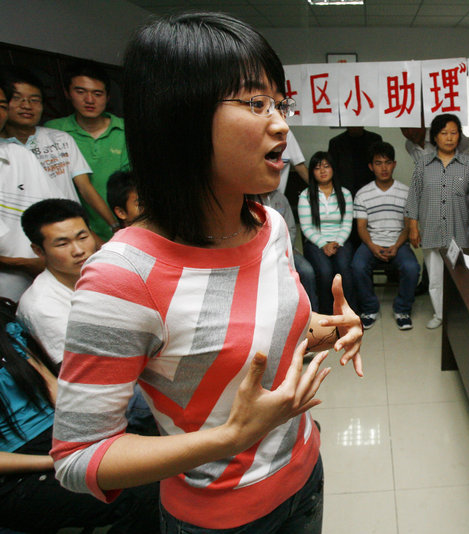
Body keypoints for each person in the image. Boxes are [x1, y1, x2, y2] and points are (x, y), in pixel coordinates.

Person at [50, 13, 363, 534]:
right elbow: (79, 460)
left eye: (280, 104)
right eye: (256, 103)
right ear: (181, 118)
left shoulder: (270, 227)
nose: (282, 123)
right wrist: (228, 438)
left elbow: (240, 345)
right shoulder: (123, 275)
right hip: (218, 520)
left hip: (305, 478)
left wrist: (323, 329)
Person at [0, 299, 160, 533]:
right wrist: (55, 461)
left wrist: (87, 439)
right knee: (139, 497)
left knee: (168, 470)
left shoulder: (7, 333)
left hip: (61, 434)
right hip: (19, 469)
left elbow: (54, 392)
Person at [0, 66, 117, 236]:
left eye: (34, 100)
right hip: (24, 238)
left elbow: (85, 188)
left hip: (71, 230)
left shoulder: (59, 138)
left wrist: (114, 225)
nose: (26, 106)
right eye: (17, 99)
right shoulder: (6, 150)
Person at [406, 113, 469, 329]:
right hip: (431, 228)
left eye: (454, 133)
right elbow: (414, 196)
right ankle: (440, 315)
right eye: (444, 133)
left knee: (460, 277)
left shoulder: (468, 164)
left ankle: (459, 315)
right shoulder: (423, 164)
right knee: (436, 277)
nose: (449, 138)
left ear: (460, 136)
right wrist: (413, 227)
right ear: (435, 137)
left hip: (460, 230)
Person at [44, 61, 130, 241]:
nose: (89, 100)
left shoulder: (126, 130)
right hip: (73, 229)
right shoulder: (54, 132)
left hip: (123, 225)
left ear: (107, 97)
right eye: (80, 92)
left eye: (97, 94)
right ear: (67, 93)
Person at [16, 199, 98, 364]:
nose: (79, 251)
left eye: (82, 237)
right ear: (39, 250)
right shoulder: (42, 306)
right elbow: (85, 370)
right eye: (62, 244)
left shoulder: (106, 271)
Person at [352, 142, 420, 330]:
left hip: (398, 243)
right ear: (371, 166)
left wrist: (397, 246)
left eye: (388, 162)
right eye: (378, 163)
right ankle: (370, 309)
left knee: (412, 267)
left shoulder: (406, 192)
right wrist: (373, 247)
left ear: (394, 164)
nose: (384, 168)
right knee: (357, 266)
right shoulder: (362, 194)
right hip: (371, 242)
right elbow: (362, 228)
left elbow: (407, 226)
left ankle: (402, 310)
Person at [0, 80, 53, 301]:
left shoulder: (19, 155)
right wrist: (22, 264)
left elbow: (51, 211)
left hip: (40, 285)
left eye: (2, 105)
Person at [298, 151, 356, 315]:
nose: (322, 170)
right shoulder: (306, 195)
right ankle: (327, 313)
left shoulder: (345, 194)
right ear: (312, 172)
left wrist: (336, 242)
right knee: (324, 272)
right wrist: (323, 244)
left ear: (333, 169)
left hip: (340, 241)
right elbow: (307, 227)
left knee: (344, 268)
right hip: (316, 242)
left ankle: (349, 311)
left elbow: (346, 223)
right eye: (317, 168)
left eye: (326, 166)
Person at [254, 188, 319, 312]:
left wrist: (284, 249)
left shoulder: (281, 198)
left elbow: (292, 228)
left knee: (307, 271)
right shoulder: (248, 199)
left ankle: (312, 313)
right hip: (260, 253)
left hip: (286, 249)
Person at [327, 126, 382, 196]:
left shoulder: (375, 139)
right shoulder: (335, 142)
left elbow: (380, 164)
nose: (354, 126)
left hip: (371, 188)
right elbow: (332, 169)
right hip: (345, 191)